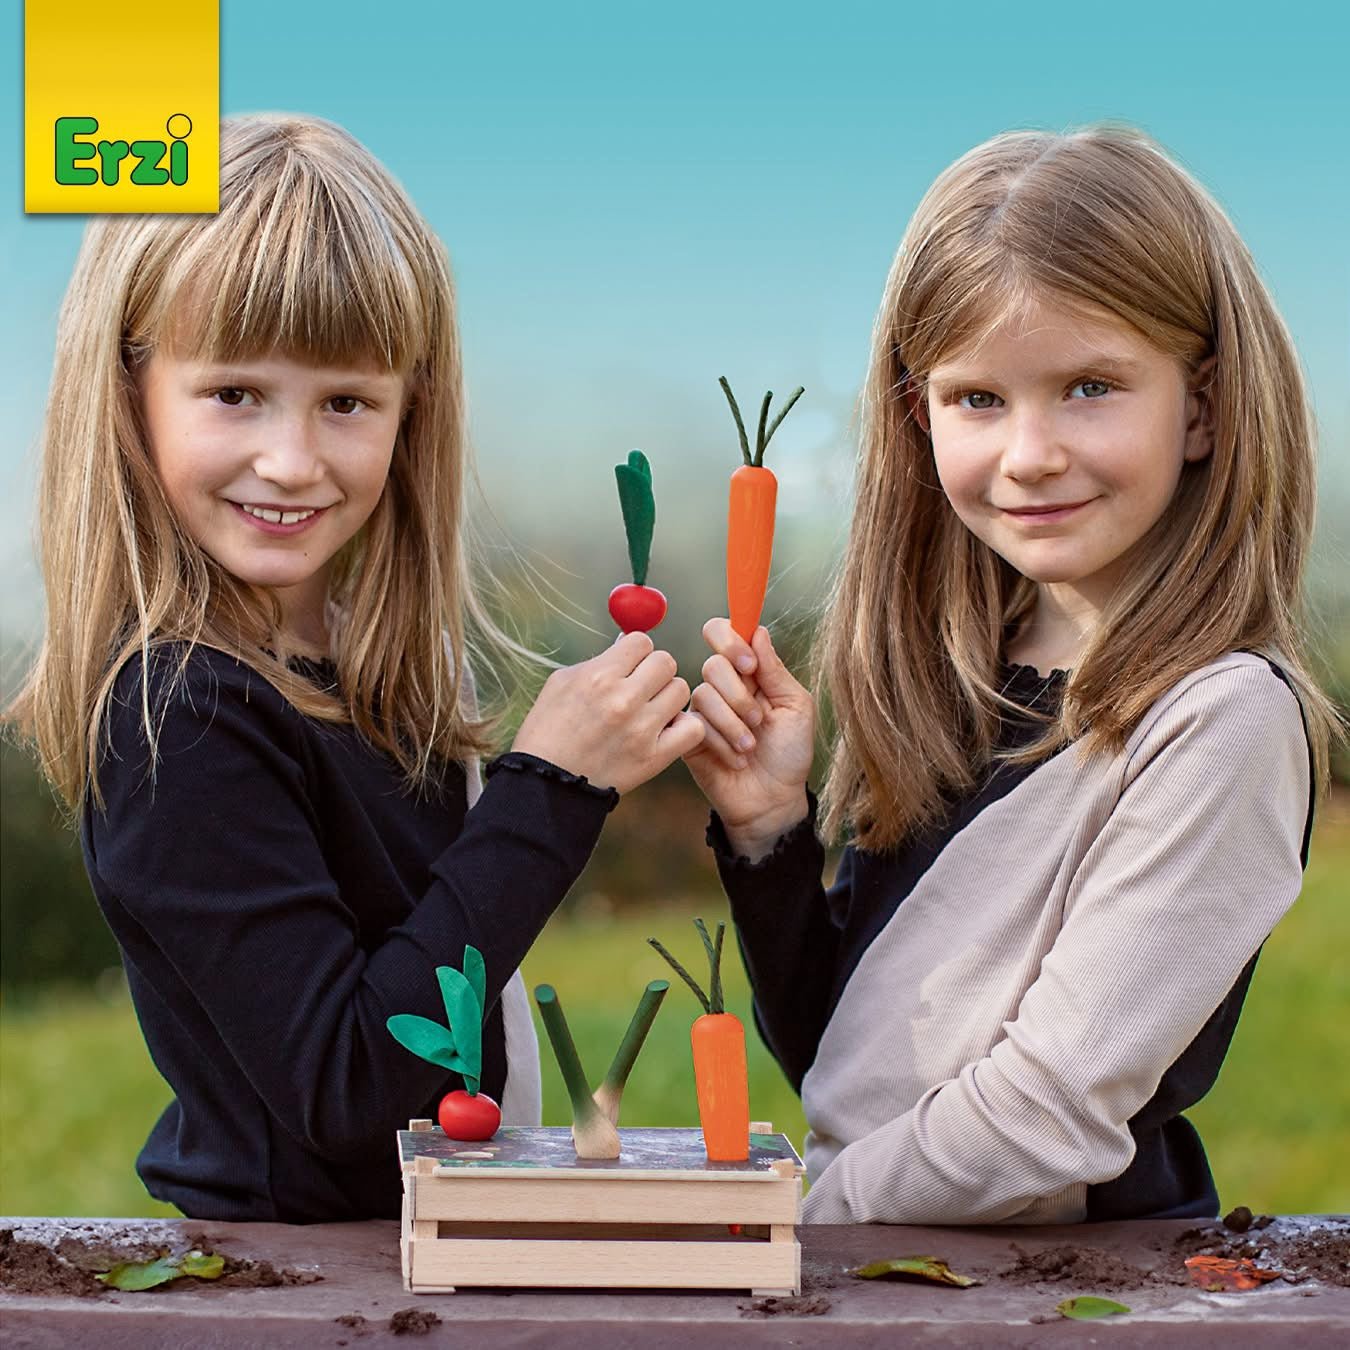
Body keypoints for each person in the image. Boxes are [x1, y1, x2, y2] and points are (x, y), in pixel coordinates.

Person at [6, 113, 703, 1222]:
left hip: (409, 1257)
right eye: (235, 392)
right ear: (129, 391)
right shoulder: (178, 716)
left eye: (345, 402)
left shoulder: (362, 664)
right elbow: (345, 1085)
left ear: (408, 411)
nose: (292, 460)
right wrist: (551, 793)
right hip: (296, 1288)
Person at [684, 126, 1340, 1225]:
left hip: (1056, 1301)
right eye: (977, 400)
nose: (1029, 453)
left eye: (1089, 387)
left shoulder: (1219, 722)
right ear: (918, 416)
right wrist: (769, 835)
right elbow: (850, 1076)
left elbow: (1049, 1114)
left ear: (1204, 408)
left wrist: (798, 1223)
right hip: (914, 1276)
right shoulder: (959, 685)